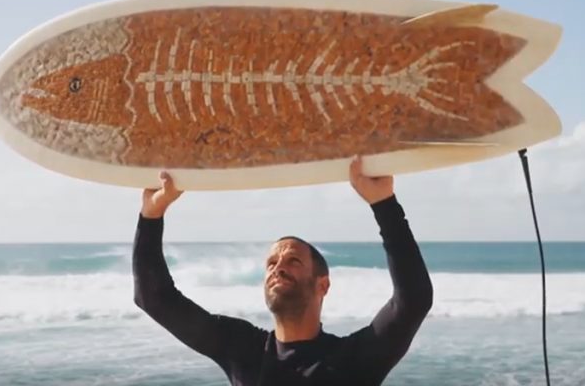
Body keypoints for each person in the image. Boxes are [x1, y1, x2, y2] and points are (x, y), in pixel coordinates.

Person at [132, 156, 433, 386]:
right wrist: (151, 214)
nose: (278, 268)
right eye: (271, 263)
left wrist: (384, 204)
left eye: (293, 261)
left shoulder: (354, 360)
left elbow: (413, 300)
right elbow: (153, 298)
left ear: (322, 285)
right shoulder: (243, 349)